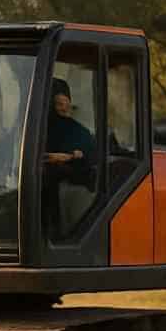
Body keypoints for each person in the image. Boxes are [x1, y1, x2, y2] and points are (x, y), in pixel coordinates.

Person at [43, 78, 96, 235]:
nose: (64, 108)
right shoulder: (42, 129)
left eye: (66, 103)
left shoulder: (81, 133)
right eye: (59, 104)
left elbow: (89, 158)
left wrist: (70, 157)